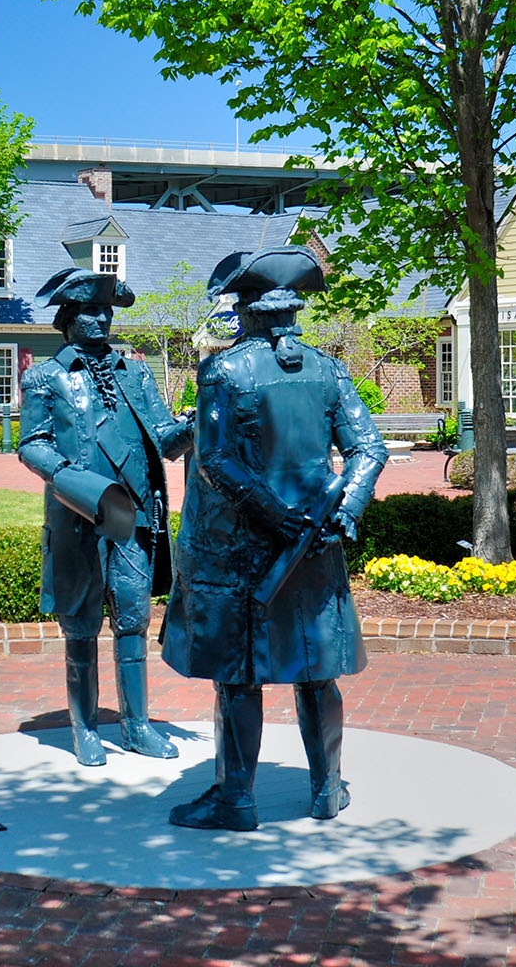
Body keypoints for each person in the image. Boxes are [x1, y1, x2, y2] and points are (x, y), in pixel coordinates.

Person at [161, 247, 389, 831]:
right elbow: (369, 449)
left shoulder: (223, 371)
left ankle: (236, 799)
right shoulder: (330, 369)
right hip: (315, 545)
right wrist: (346, 508)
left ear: (247, 311)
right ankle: (326, 790)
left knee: (239, 675)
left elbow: (213, 458)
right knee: (318, 670)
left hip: (244, 549)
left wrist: (274, 514)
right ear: (292, 313)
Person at [19, 268, 194, 766]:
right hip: (78, 518)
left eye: (105, 311)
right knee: (80, 627)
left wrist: (194, 426)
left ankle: (137, 725)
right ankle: (86, 727)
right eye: (88, 312)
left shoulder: (136, 373)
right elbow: (33, 447)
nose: (100, 319)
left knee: (133, 621)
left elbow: (161, 437)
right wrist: (78, 485)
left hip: (133, 519)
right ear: (67, 319)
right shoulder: (45, 377)